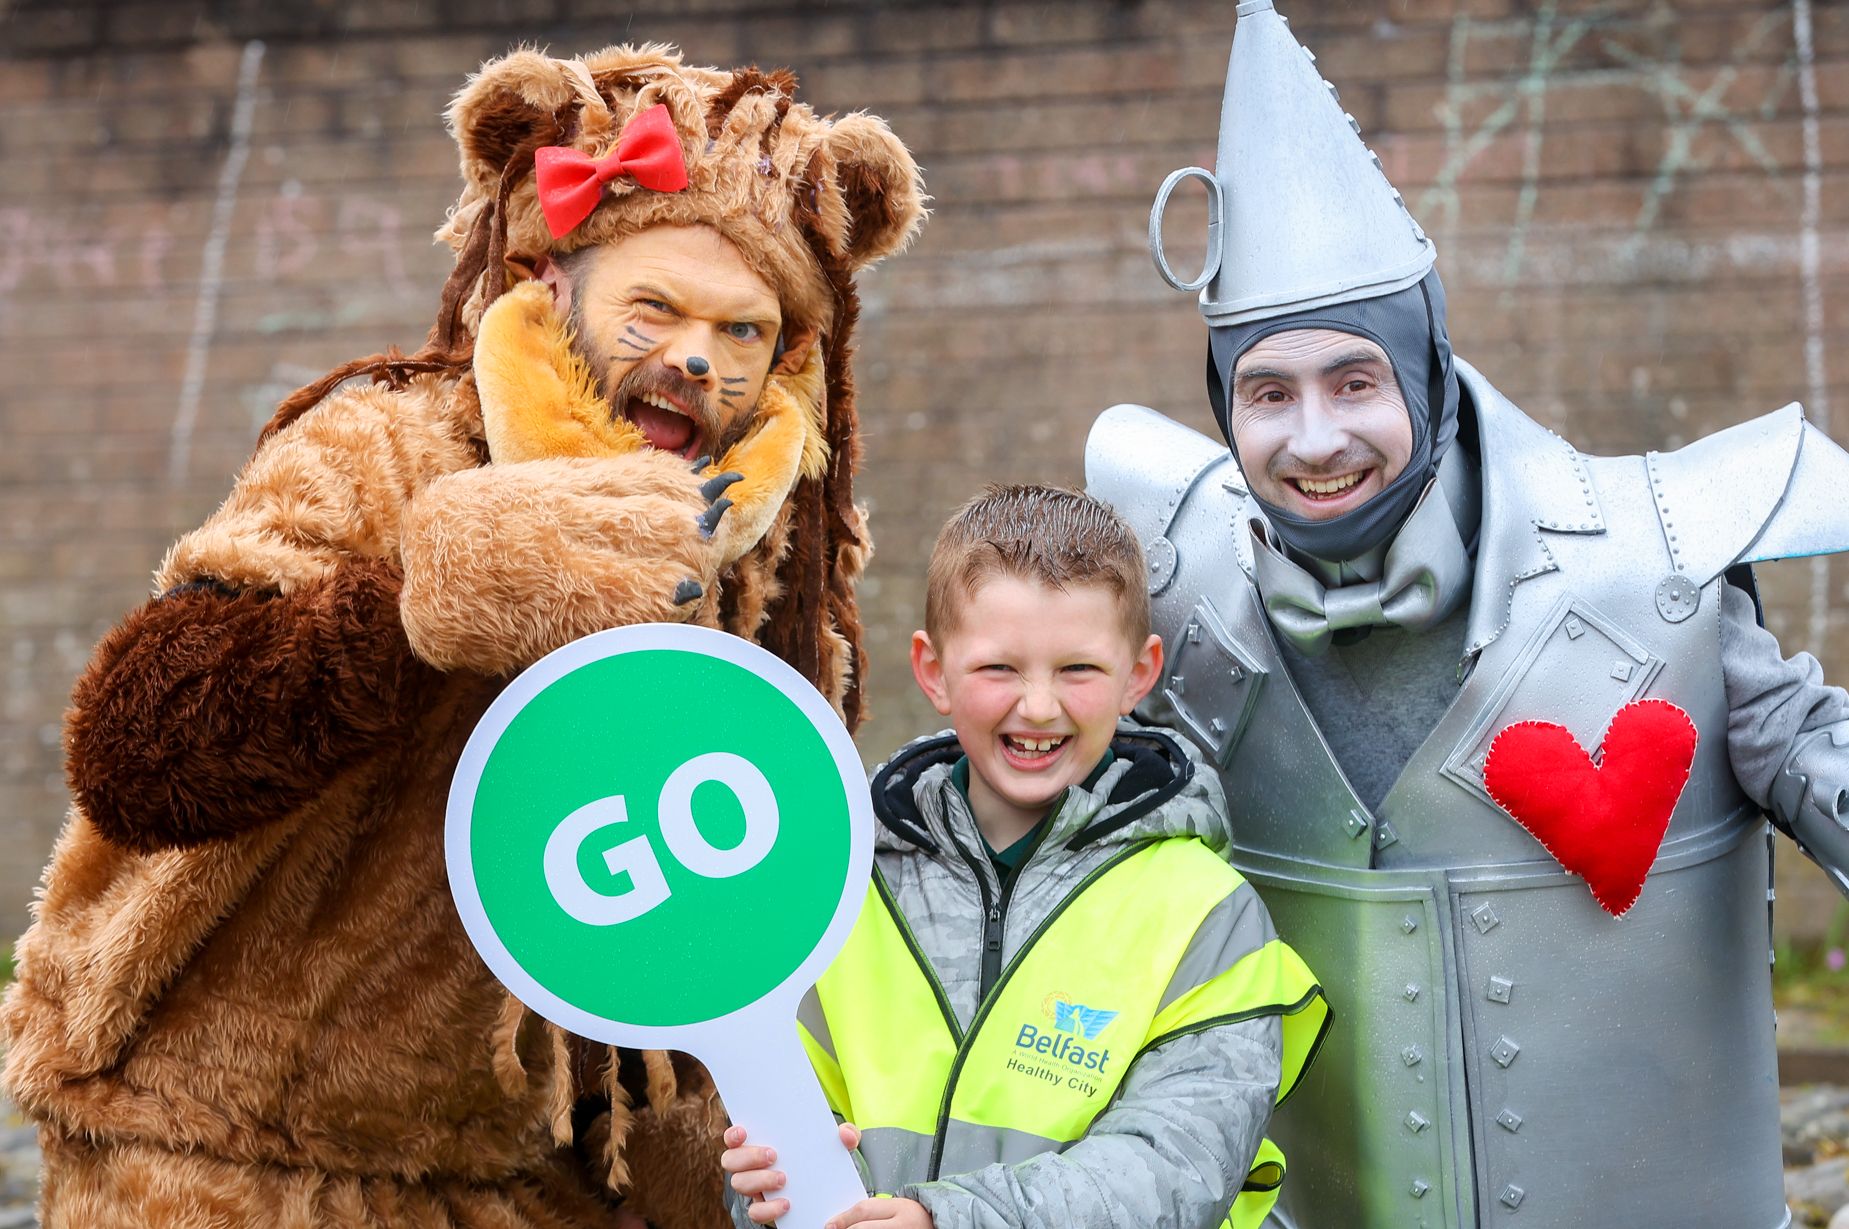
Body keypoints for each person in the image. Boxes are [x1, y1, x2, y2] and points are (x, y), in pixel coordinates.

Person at [0, 45, 924, 1229]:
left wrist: (732, 1161)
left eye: (743, 332)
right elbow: (139, 748)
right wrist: (423, 601)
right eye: (654, 306)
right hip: (209, 1149)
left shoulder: (760, 573)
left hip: (499, 1181)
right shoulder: (389, 447)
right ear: (555, 279)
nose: (696, 358)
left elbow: (673, 924)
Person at [1089, 3, 1849, 1226]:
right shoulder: (1171, 592)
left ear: (1429, 372)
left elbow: (1817, 758)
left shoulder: (1656, 574)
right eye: (1266, 391)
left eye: (1355, 378)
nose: (1315, 436)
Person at [721, 484, 1330, 1229]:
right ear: (932, 670)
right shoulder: (840, 888)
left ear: (1139, 673)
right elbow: (781, 1132)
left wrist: (948, 1220)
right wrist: (769, 1188)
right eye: (998, 669)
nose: (1038, 706)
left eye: (1077, 669)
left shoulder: (1207, 913)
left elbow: (1174, 1165)